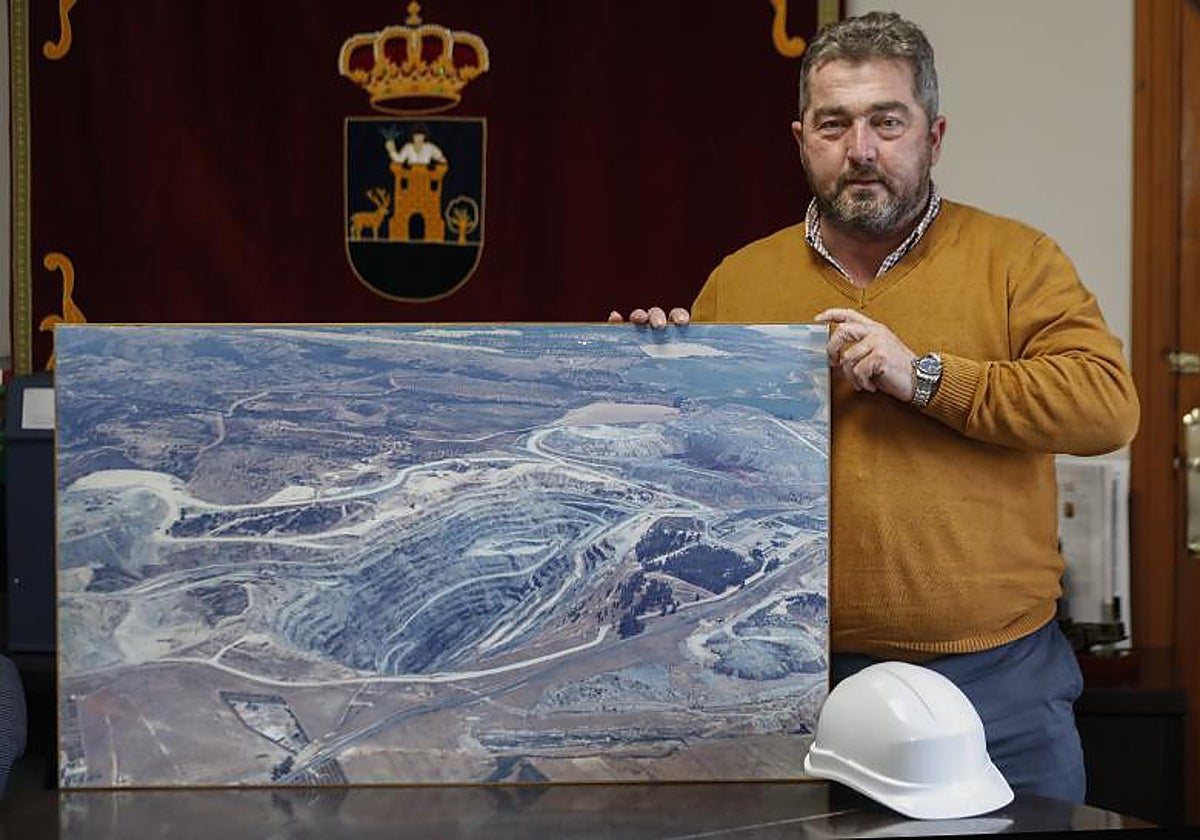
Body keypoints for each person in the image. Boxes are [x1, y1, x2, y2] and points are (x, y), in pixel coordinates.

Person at [610, 11, 1139, 804]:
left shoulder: (1017, 261)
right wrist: (638, 378)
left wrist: (921, 376)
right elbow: (695, 473)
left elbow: (1105, 406)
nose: (861, 149)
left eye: (888, 122)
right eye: (835, 124)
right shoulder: (739, 281)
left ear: (934, 135)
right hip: (785, 678)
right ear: (802, 140)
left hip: (998, 686)